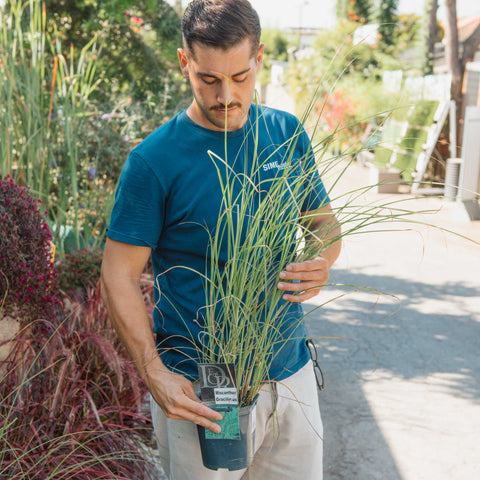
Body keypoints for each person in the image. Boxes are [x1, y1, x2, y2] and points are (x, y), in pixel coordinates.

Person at [101, 0, 341, 478]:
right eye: (209, 79)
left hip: (290, 373)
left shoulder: (285, 132)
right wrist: (155, 374)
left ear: (259, 58)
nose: (227, 95)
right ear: (184, 62)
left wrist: (320, 260)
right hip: (208, 386)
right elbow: (118, 275)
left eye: (240, 76)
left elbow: (324, 225)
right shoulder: (154, 160)